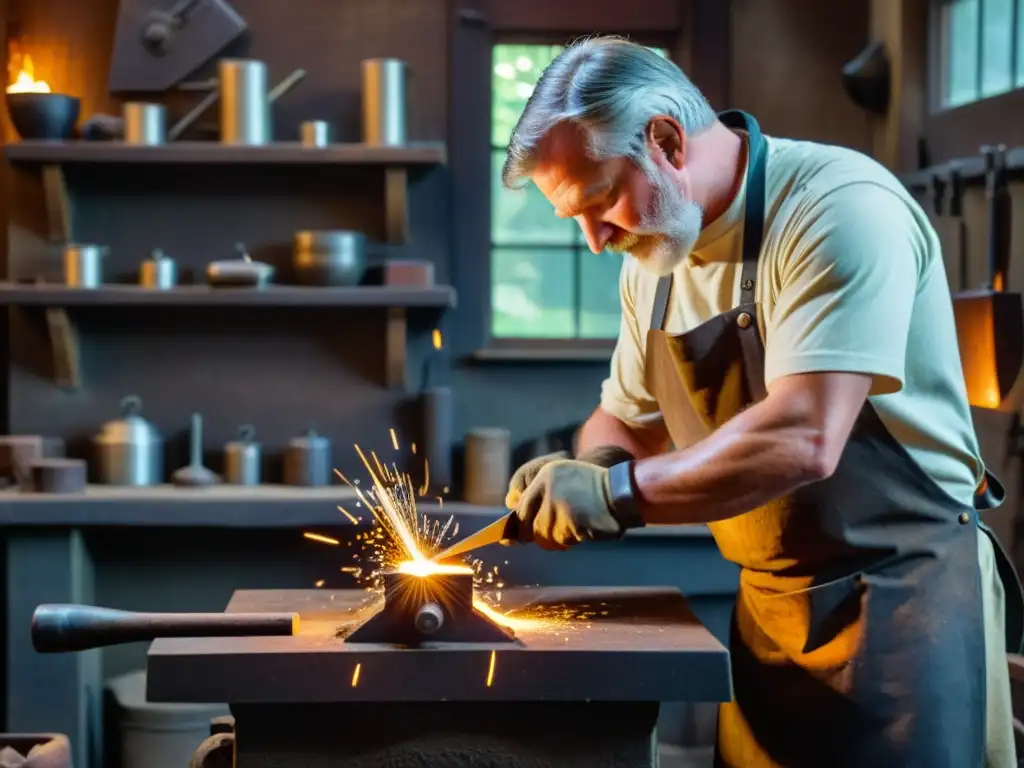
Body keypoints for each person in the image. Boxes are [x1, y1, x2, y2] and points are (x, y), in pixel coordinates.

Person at [501, 37, 1024, 767]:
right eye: (575, 219)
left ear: (665, 139)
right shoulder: (654, 258)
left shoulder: (839, 209)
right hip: (771, 609)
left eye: (601, 202)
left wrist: (614, 494)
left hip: (906, 603)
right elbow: (625, 417)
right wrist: (589, 465)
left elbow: (805, 433)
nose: (594, 241)